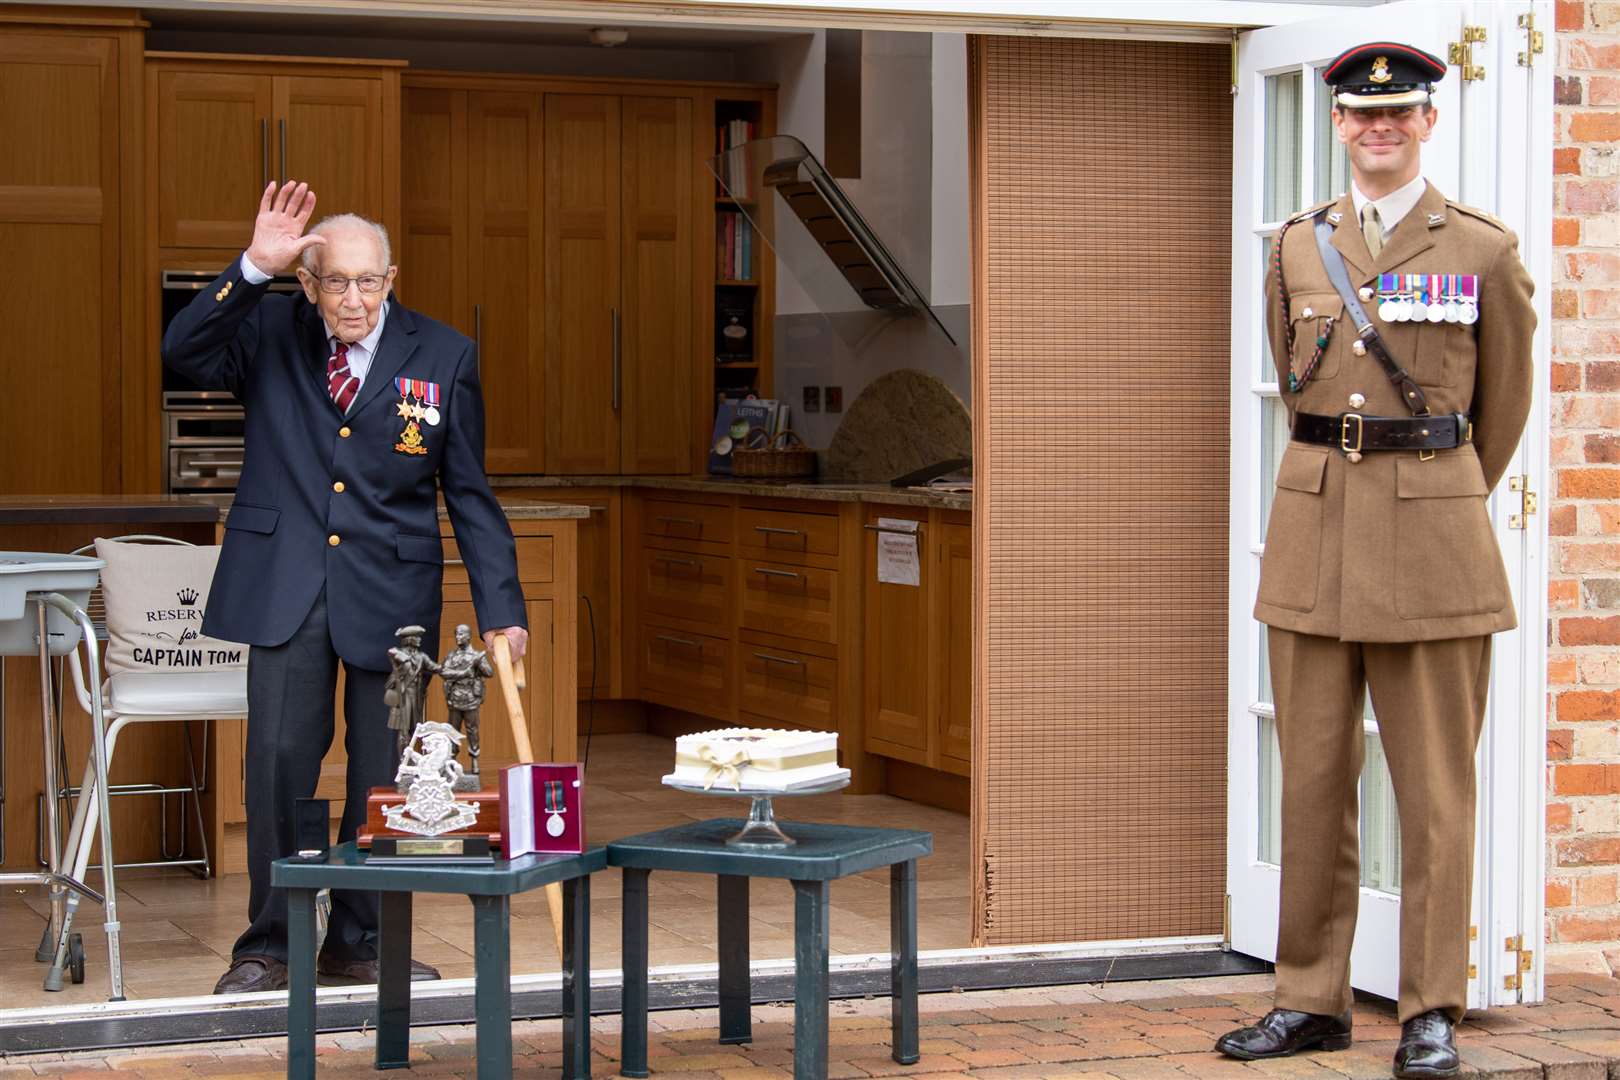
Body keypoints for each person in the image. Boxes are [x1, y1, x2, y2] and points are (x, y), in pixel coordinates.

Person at [1215, 43, 1534, 1079]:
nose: (1379, 129)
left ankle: (1430, 1005)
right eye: (1361, 114)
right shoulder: (1297, 247)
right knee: (1309, 780)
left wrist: (1437, 495)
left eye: (1398, 114)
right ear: (1341, 124)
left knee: (1434, 791)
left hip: (1434, 542)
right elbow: (1292, 373)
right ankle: (1309, 1000)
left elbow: (1506, 406)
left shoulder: (1481, 250)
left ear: (1428, 123)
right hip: (1313, 536)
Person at [164, 181, 529, 993]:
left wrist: (504, 610)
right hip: (286, 582)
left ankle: (360, 941)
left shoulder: (443, 355)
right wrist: (253, 266)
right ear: (308, 282)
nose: (354, 298)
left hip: (392, 592)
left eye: (370, 282)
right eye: (336, 282)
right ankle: (271, 943)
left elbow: (468, 490)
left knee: (386, 769)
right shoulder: (264, 328)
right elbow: (182, 351)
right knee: (279, 765)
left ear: (392, 279)